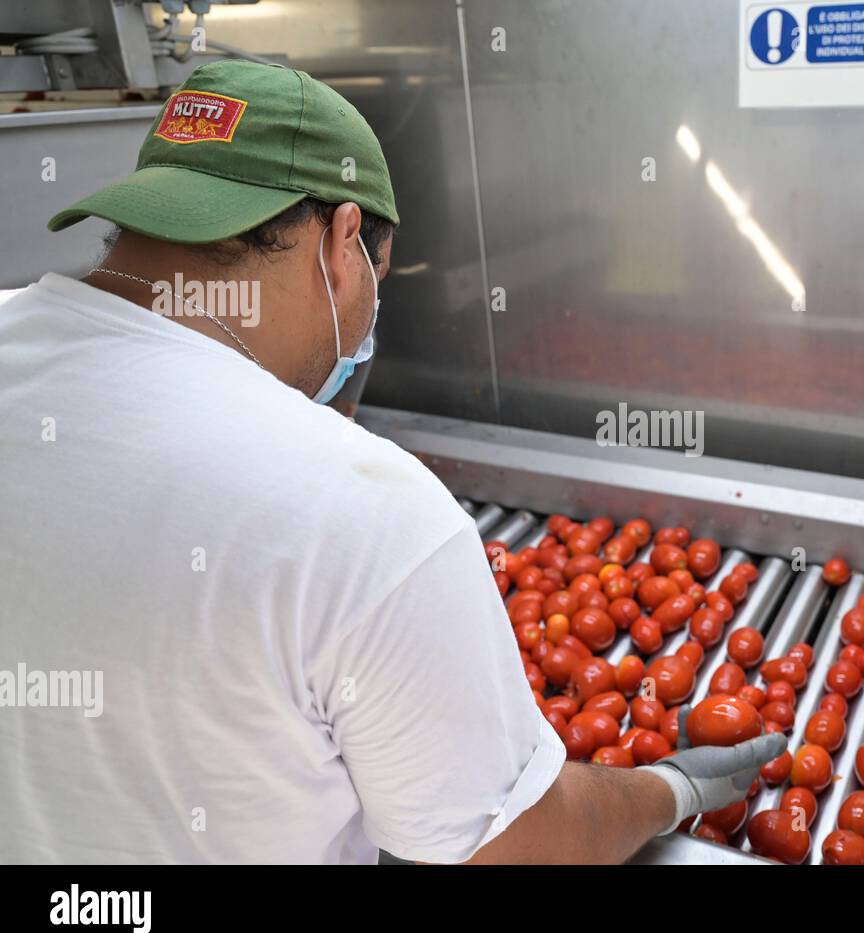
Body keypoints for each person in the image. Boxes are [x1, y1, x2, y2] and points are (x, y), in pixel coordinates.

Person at [0, 60, 780, 864]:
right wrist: (671, 789)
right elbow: (519, 848)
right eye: (381, 271)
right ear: (344, 242)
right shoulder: (355, 503)